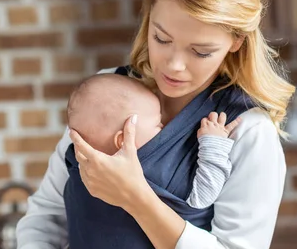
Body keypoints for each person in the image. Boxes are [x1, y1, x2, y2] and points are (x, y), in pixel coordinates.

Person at [0, 0, 294, 249]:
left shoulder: (247, 133)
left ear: (236, 41)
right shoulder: (106, 97)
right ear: (148, 17)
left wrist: (136, 197)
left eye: (200, 51)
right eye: (161, 38)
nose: (173, 65)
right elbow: (48, 215)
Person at [66, 73, 241, 210]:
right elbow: (202, 198)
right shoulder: (154, 172)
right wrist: (214, 144)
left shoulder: (82, 168)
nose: (165, 126)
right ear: (123, 140)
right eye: (158, 124)